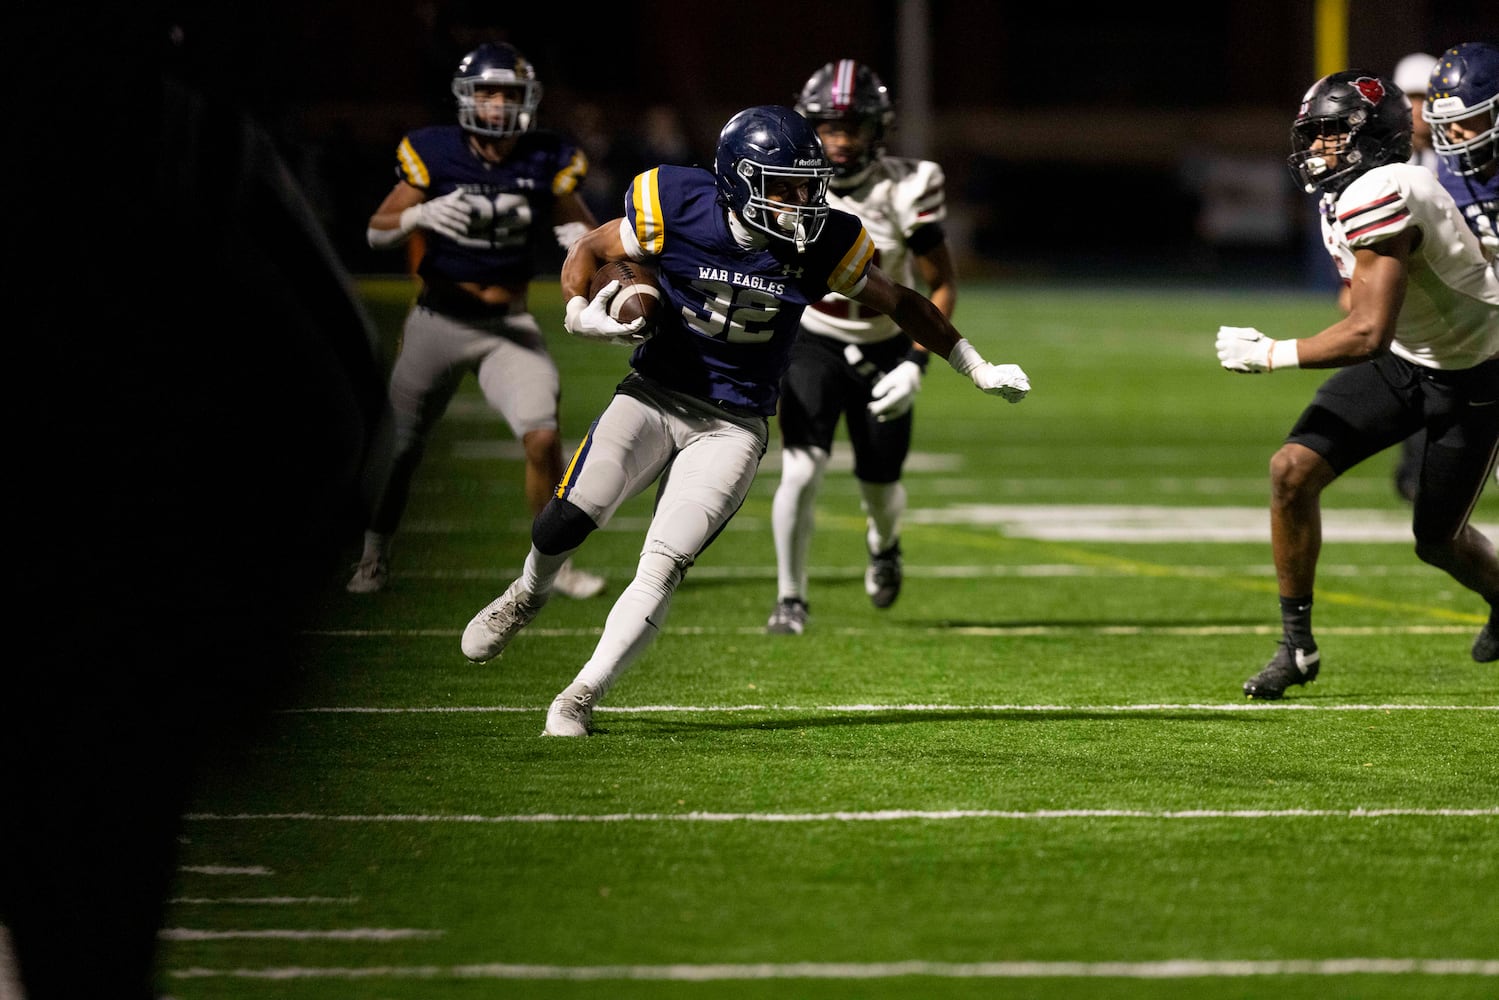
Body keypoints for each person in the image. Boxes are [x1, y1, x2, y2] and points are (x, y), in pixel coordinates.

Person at [458, 105, 1032, 735]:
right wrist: (576, 307)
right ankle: (527, 593)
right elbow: (593, 246)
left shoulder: (827, 242)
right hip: (655, 391)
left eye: (808, 186)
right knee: (570, 515)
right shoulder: (673, 200)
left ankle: (580, 695)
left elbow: (901, 301)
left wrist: (972, 365)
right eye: (783, 187)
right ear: (736, 181)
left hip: (734, 424)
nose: (802, 202)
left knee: (664, 561)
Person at [1214, 69, 1499, 700]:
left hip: (1470, 375)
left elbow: (1366, 332)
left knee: (1438, 541)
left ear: (1371, 137)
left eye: (1330, 134)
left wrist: (1270, 354)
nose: (1316, 147)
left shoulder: (1383, 187)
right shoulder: (1348, 191)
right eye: (1311, 134)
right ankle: (1296, 645)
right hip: (1405, 361)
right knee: (1290, 471)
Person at [347, 41, 604, 599]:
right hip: (438, 322)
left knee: (542, 441)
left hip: (508, 329)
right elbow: (375, 229)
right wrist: (417, 213)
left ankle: (552, 568)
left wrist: (582, 248)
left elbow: (585, 236)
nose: (495, 103)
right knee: (402, 448)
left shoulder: (546, 157)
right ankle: (373, 553)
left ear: (527, 99)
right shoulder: (434, 152)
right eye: (486, 91)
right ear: (466, 97)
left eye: (507, 93)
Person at [762, 60, 956, 635]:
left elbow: (939, 283)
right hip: (812, 340)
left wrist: (918, 363)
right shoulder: (780, 179)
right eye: (829, 128)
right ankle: (790, 597)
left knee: (880, 486)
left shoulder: (910, 184)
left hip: (887, 345)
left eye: (854, 128)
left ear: (880, 130)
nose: (842, 142)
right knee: (800, 470)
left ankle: (885, 544)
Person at [1389, 51, 1440, 501]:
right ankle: (1414, 470)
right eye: (1412, 98)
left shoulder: (1463, 160)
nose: (1420, 110)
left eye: (1428, 97)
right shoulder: (1391, 162)